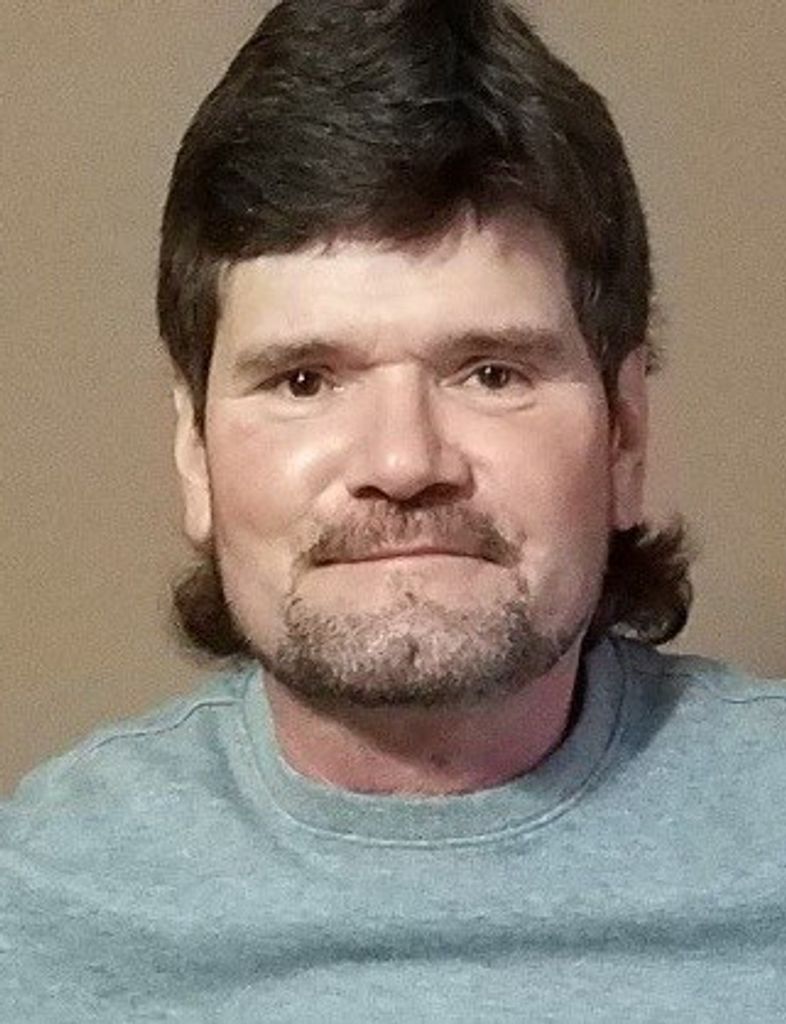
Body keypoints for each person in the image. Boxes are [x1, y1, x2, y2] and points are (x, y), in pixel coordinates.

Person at [2, 1, 784, 1019]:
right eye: (304, 381)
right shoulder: (34, 910)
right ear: (194, 452)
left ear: (624, 435)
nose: (403, 462)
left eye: (492, 372)